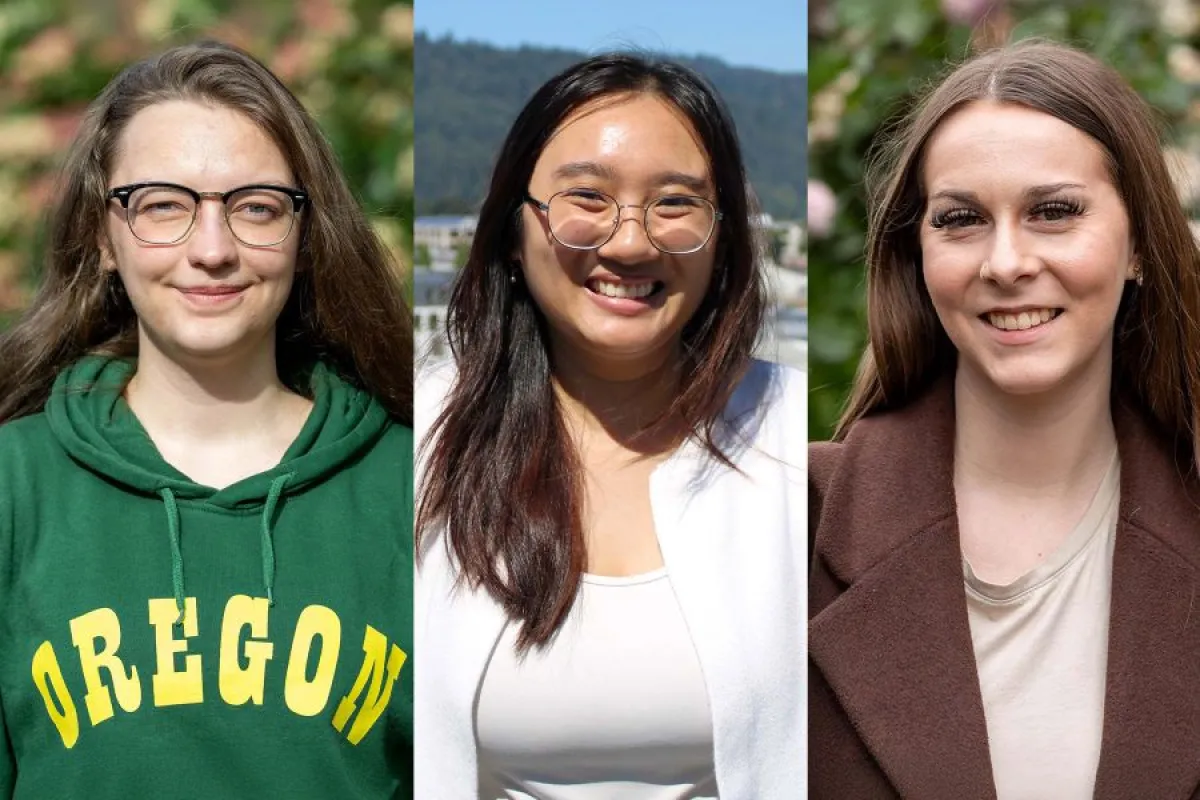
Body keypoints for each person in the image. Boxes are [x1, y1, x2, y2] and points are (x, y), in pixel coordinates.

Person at [0, 41, 414, 798]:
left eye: (255, 207)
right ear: (102, 236)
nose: (213, 249)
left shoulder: (413, 490)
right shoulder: (13, 488)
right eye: (164, 206)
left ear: (304, 233)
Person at [809, 39, 1200, 799]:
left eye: (1054, 212)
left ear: (1140, 246)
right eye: (961, 220)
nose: (1006, 261)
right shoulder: (787, 523)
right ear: (916, 257)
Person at [414, 54, 804, 797]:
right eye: (586, 196)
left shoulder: (792, 436)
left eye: (675, 204)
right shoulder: (422, 431)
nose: (631, 242)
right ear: (512, 226)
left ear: (723, 238)